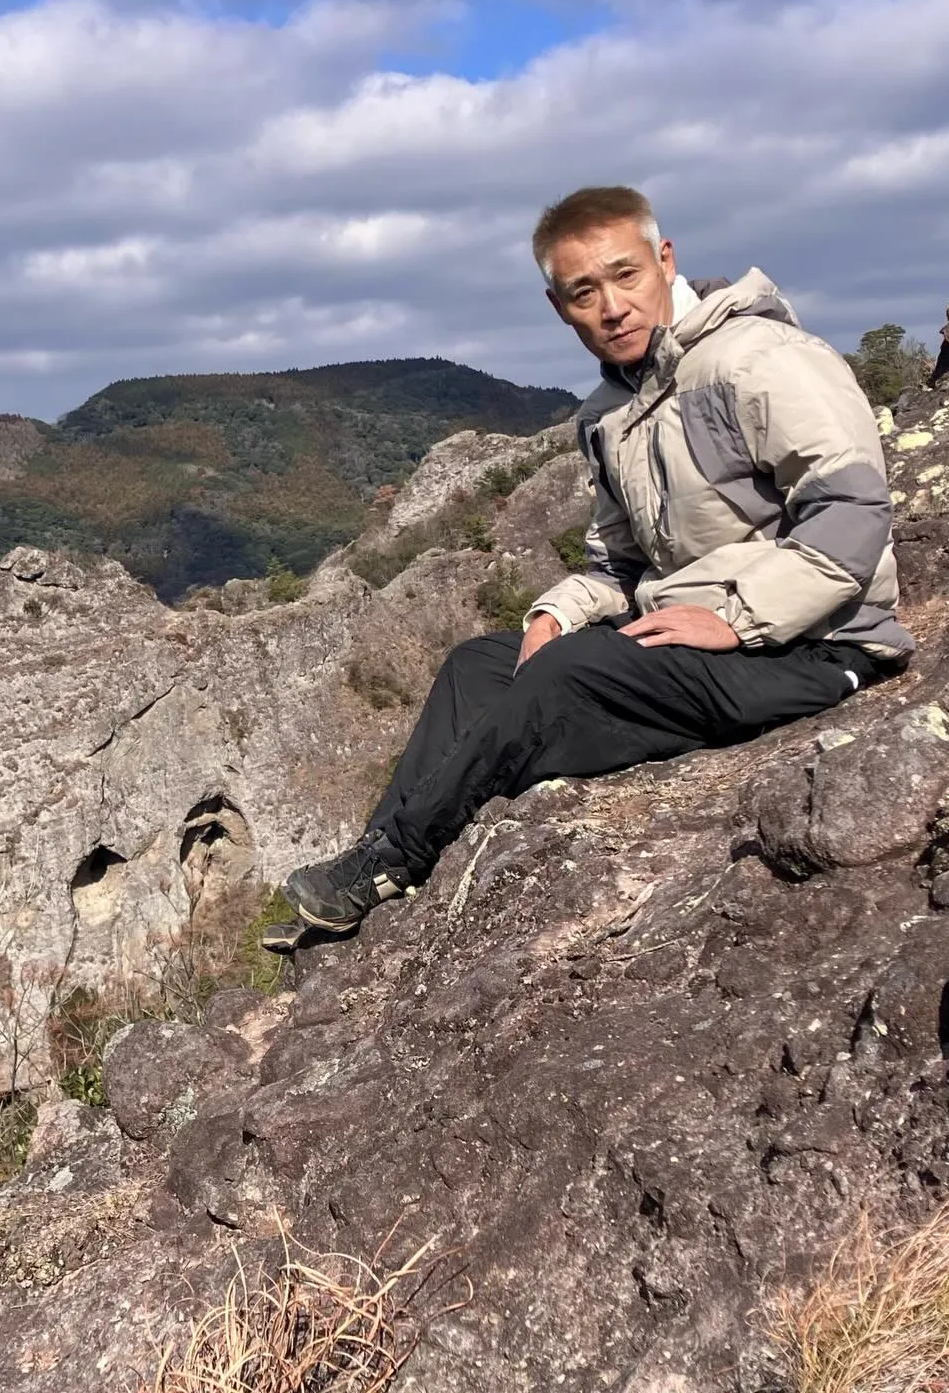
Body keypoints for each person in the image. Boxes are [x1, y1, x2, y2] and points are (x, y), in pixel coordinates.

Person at [261, 185, 913, 955]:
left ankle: (399, 856)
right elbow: (621, 564)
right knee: (479, 664)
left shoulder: (761, 360)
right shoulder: (610, 413)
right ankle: (375, 865)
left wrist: (736, 617)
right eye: (584, 291)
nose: (612, 307)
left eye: (626, 275)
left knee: (570, 675)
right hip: (694, 636)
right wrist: (555, 614)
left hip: (812, 645)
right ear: (558, 305)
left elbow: (851, 512)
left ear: (664, 262)